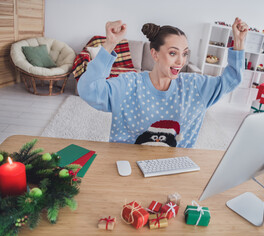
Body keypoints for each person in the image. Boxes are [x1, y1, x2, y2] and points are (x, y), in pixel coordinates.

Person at [77, 18, 248, 148]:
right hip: (127, 167)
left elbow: (232, 79)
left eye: (185, 53)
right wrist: (110, 44)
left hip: (173, 170)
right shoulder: (129, 84)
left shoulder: (196, 87)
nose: (181, 61)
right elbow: (88, 90)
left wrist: (239, 43)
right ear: (155, 54)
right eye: (173, 53)